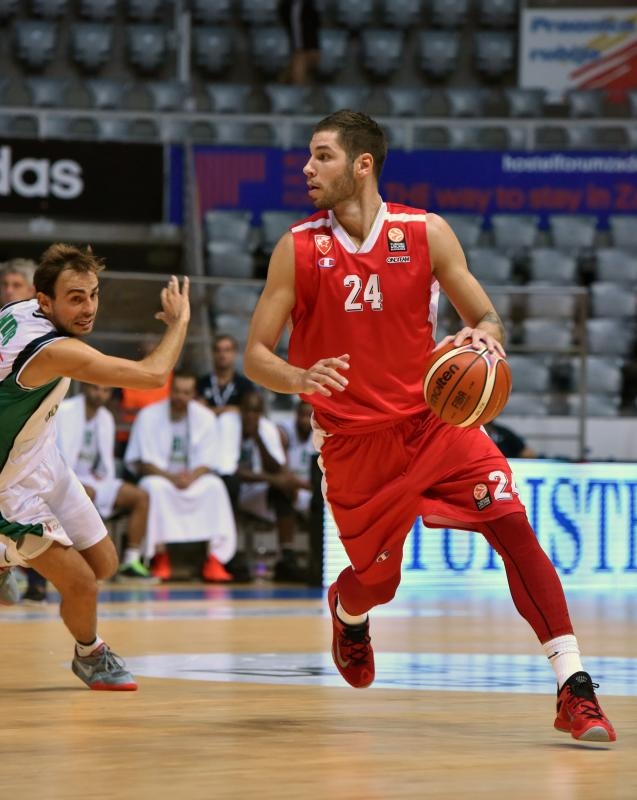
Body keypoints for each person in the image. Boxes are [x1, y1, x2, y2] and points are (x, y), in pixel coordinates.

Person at [243, 110, 616, 742]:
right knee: (375, 583)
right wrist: (299, 378)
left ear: (362, 164)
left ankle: (573, 685)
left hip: (433, 425)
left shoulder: (426, 232)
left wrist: (485, 339)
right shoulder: (299, 248)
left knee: (512, 526)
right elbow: (256, 354)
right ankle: (348, 611)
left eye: (323, 156)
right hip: (356, 444)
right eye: (310, 156)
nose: (308, 168)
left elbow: (489, 317)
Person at [0, 242, 190, 690]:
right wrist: (180, 322)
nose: (89, 308)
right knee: (84, 585)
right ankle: (91, 654)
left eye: (94, 294)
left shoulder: (22, 307)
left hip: (41, 456)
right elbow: (152, 375)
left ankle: (7, 556)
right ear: (45, 301)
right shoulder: (51, 350)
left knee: (104, 563)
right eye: (76, 298)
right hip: (9, 486)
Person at [124, 369, 237, 583]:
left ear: (193, 394)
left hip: (192, 479)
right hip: (161, 478)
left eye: (186, 393)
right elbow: (144, 463)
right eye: (176, 392)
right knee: (153, 488)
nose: (180, 398)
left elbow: (209, 460)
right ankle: (160, 556)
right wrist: (171, 478)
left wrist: (191, 477)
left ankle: (215, 559)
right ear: (169, 390)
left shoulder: (205, 417)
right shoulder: (149, 415)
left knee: (215, 486)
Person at [56, 382, 155, 580]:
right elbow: (56, 456)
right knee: (86, 494)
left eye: (105, 390)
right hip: (64, 478)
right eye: (95, 388)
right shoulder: (64, 410)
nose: (99, 394)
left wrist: (100, 474)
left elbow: (105, 461)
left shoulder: (106, 418)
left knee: (140, 497)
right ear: (85, 387)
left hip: (94, 479)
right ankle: (86, 562)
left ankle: (131, 561)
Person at [0, 257, 49, 605]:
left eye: (16, 285)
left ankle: (22, 570)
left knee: (38, 504)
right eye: (5, 285)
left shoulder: (43, 336)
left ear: (34, 293)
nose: (8, 291)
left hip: (29, 435)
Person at [219, 390, 306, 582]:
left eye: (256, 411)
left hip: (253, 492)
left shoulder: (266, 428)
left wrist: (258, 438)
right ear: (240, 410)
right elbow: (229, 471)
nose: (252, 415)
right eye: (248, 410)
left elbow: (278, 468)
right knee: (230, 484)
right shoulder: (228, 423)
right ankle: (229, 556)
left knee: (283, 491)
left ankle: (287, 556)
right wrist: (272, 479)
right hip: (228, 492)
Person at [197, 333, 255, 416]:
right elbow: (197, 411)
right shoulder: (202, 383)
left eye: (227, 350)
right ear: (212, 353)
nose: (222, 355)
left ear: (234, 353)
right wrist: (231, 409)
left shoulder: (245, 385)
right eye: (218, 350)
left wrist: (210, 410)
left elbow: (249, 411)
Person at [278, 0, 321, 86]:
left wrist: (314, 47)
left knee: (310, 59)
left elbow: (315, 26)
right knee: (299, 56)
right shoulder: (289, 7)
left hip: (308, 46)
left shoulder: (309, 8)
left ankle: (286, 82)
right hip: (296, 48)